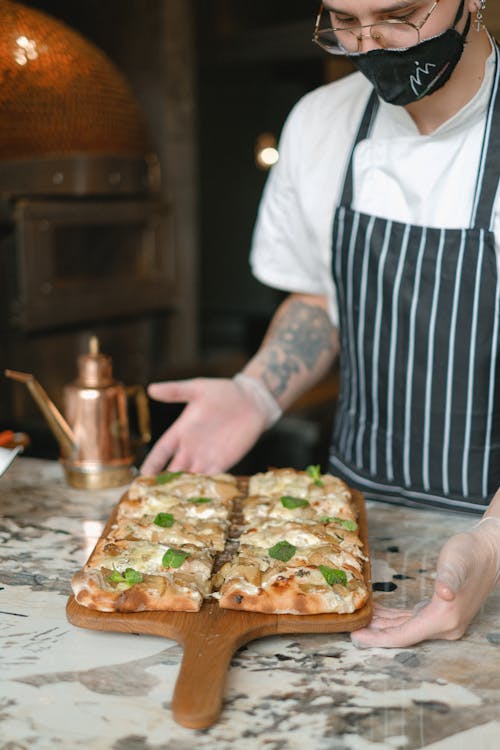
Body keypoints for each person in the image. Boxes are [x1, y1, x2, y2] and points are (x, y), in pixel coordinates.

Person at [141, 0, 500, 647]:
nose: (369, 44)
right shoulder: (319, 123)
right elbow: (320, 298)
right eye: (343, 19)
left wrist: (494, 542)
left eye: (399, 15)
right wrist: (256, 390)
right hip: (338, 537)